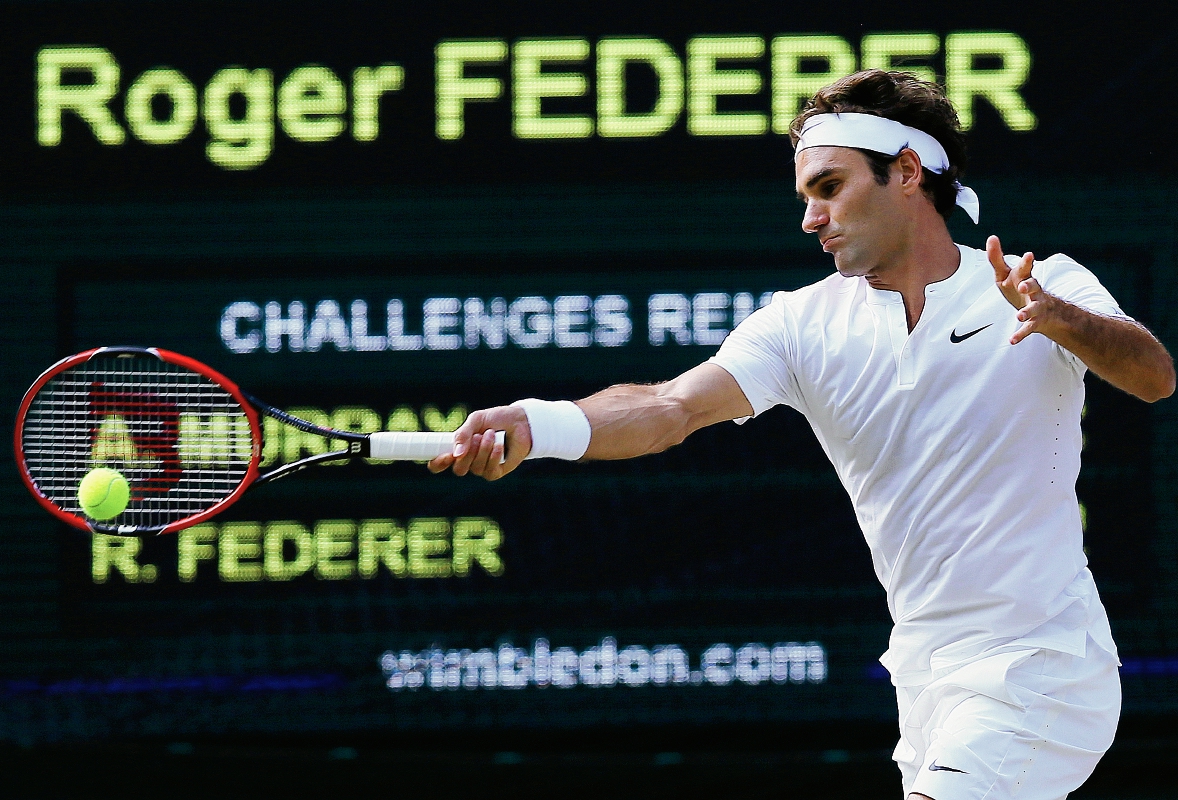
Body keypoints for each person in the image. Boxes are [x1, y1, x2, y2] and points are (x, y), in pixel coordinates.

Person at [427, 70, 1175, 800]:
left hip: (1040, 668)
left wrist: (1058, 318)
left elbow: (1154, 377)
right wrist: (539, 422)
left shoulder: (1042, 282)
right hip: (923, 682)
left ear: (906, 172)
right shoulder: (798, 324)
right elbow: (669, 409)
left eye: (829, 188)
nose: (810, 218)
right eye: (806, 196)